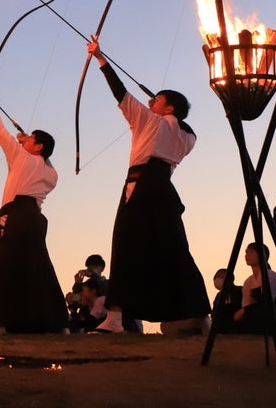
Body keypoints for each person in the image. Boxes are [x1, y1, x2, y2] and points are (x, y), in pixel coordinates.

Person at [87, 39, 209, 333]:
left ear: (168, 106)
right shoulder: (187, 135)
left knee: (126, 246)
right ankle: (201, 316)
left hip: (140, 186)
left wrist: (101, 59)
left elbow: (120, 93)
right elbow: (177, 124)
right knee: (176, 248)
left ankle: (115, 318)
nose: (150, 103)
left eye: (156, 100)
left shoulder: (150, 122)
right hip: (164, 189)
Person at [0, 82, 68, 334]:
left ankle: (0, 324)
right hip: (36, 218)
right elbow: (40, 158)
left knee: (3, 264)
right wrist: (28, 143)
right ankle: (58, 325)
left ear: (38, 147)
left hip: (15, 214)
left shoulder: (21, 156)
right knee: (38, 266)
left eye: (31, 139)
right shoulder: (52, 173)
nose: (24, 140)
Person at [233, 243, 276, 334]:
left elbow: (268, 301)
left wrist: (246, 311)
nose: (247, 255)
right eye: (246, 252)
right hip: (259, 312)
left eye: (251, 252)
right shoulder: (248, 281)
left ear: (262, 255)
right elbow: (246, 304)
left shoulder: (271, 276)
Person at [208, 268, 242, 334]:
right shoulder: (218, 296)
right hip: (221, 331)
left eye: (220, 277)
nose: (217, 279)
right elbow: (214, 314)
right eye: (216, 277)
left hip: (237, 329)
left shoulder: (239, 291)